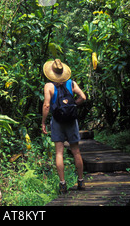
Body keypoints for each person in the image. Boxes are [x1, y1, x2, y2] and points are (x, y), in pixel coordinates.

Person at [41, 59, 86, 194]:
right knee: (76, 151)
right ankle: (81, 181)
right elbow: (83, 97)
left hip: (57, 121)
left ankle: (62, 184)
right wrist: (73, 105)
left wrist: (43, 122)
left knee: (59, 152)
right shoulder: (71, 83)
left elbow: (47, 106)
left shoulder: (48, 86)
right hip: (71, 121)